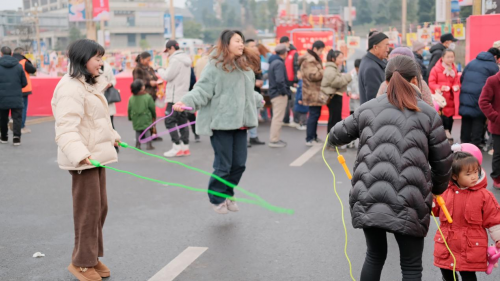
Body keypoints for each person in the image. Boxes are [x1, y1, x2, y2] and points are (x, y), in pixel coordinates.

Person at [328, 56, 453, 281]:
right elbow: (443, 163)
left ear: (386, 81)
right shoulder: (428, 113)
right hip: (412, 197)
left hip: (368, 193)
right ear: (415, 79)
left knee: (374, 255)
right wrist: (436, 189)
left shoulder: (368, 108)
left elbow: (335, 135)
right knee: (411, 266)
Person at [172, 30, 263, 214]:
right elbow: (202, 90)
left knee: (239, 164)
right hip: (221, 123)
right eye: (237, 41)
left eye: (242, 41)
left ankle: (228, 193)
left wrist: (257, 99)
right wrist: (185, 102)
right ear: (226, 43)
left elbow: (245, 93)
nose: (241, 44)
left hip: (241, 123)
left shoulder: (244, 67)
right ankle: (217, 198)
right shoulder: (214, 66)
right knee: (224, 165)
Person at [51, 39, 120, 281]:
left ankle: (91, 257)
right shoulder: (71, 87)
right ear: (83, 59)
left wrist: (113, 136)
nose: (101, 63)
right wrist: (81, 155)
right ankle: (81, 263)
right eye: (97, 58)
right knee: (87, 212)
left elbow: (96, 121)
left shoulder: (86, 85)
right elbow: (66, 128)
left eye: (101, 57)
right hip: (84, 160)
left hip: (95, 157)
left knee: (99, 208)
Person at [432, 148, 500, 281]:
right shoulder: (445, 192)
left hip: (470, 246)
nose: (474, 176)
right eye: (468, 174)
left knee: (468, 275)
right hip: (447, 243)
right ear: (454, 176)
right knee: (446, 272)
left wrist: (498, 238)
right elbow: (435, 210)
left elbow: (494, 219)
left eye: (476, 172)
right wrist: (430, 199)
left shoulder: (484, 195)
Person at [158, 40, 192, 157]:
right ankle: (185, 147)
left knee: (169, 121)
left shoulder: (175, 59)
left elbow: (168, 76)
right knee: (182, 121)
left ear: (172, 48)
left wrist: (159, 69)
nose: (167, 53)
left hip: (174, 96)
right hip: (183, 94)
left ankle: (176, 146)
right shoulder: (186, 58)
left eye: (168, 51)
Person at [459, 48, 500, 147]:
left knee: (466, 119)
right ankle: (475, 145)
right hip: (479, 96)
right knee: (478, 119)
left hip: (465, 95)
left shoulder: (471, 62)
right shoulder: (493, 67)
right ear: (495, 57)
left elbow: (462, 78)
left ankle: (464, 145)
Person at [429, 49, 460, 143]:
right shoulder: (436, 69)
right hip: (439, 100)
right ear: (442, 58)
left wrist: (456, 86)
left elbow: (456, 81)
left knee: (449, 120)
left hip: (450, 99)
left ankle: (447, 138)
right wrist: (440, 87)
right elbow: (431, 82)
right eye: (448, 57)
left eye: (452, 57)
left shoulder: (454, 69)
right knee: (440, 121)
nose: (451, 59)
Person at [299, 40, 325, 146]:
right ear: (315, 49)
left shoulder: (313, 59)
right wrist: (325, 71)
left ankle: (313, 136)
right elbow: (313, 76)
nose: (321, 53)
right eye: (320, 51)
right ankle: (309, 138)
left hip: (315, 91)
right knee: (313, 115)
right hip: (312, 92)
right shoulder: (309, 60)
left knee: (316, 114)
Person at [321, 50, 352, 138]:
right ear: (333, 58)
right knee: (334, 120)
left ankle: (333, 141)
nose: (342, 60)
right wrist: (348, 76)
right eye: (340, 58)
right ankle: (331, 142)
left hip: (335, 96)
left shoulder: (333, 68)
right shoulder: (331, 69)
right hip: (334, 97)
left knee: (335, 120)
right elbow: (336, 82)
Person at [0, 46, 27, 146]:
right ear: (11, 53)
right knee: (17, 117)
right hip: (16, 96)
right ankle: (16, 137)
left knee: (3, 118)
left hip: (2, 97)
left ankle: (4, 137)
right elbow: (24, 83)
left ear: (1, 53)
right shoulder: (18, 66)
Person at [133, 51, 162, 141]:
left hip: (152, 95)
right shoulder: (137, 69)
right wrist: (150, 83)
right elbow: (137, 82)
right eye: (147, 60)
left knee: (152, 114)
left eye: (149, 60)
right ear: (141, 59)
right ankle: (145, 135)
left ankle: (153, 133)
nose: (148, 62)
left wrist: (158, 81)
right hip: (143, 96)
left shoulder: (149, 68)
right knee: (145, 116)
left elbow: (155, 77)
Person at [479, 70, 500, 189]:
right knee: (498, 153)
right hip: (498, 126)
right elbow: (483, 101)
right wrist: (495, 117)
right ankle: (497, 177)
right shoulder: (493, 81)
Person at [268, 44, 292, 148]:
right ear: (284, 53)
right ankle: (274, 140)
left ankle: (275, 138)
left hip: (274, 93)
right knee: (278, 118)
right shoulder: (279, 63)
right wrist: (285, 91)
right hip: (278, 94)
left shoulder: (273, 62)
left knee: (276, 117)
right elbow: (279, 80)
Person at [359, 31, 389, 104]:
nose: (388, 50)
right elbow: (375, 100)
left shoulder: (369, 61)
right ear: (375, 47)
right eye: (386, 46)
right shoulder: (371, 68)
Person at [245, 39, 266, 147]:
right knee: (246, 116)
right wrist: (255, 82)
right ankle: (245, 139)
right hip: (247, 92)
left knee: (254, 115)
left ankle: (253, 137)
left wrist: (260, 81)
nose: (255, 48)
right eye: (252, 46)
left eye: (255, 46)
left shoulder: (257, 59)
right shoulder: (243, 60)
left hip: (256, 92)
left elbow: (259, 74)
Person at [13, 47, 36, 134]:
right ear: (22, 53)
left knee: (14, 108)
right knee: (23, 108)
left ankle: (14, 122)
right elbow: (33, 70)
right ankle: (21, 126)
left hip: (13, 88)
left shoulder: (11, 61)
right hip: (24, 89)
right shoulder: (24, 62)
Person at [128, 79, 155, 150]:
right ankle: (149, 145)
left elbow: (129, 109)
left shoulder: (131, 98)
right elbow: (152, 108)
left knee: (137, 131)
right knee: (147, 130)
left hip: (135, 117)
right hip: (146, 117)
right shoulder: (147, 97)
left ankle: (138, 144)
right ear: (142, 87)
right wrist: (154, 116)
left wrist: (130, 117)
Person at [279, 36, 300, 127]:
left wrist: (296, 80)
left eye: (284, 43)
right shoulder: (282, 53)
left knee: (294, 101)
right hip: (285, 81)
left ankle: (296, 120)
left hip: (293, 81)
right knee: (285, 102)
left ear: (288, 43)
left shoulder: (294, 53)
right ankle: (286, 120)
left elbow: (297, 67)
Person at [100, 61, 118, 152]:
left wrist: (110, 83)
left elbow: (113, 79)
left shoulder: (107, 67)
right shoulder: (90, 68)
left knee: (110, 125)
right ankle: (105, 147)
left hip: (108, 99)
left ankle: (115, 146)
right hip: (98, 100)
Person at [346, 59, 361, 149]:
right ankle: (350, 142)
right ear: (356, 68)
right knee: (352, 125)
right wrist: (349, 92)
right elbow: (348, 87)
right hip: (353, 104)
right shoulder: (351, 75)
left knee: (361, 124)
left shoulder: (365, 74)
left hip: (361, 104)